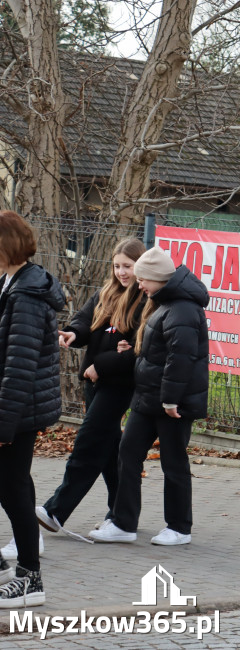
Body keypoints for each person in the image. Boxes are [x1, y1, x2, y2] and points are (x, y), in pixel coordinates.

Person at [89, 246, 209, 546]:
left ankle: (179, 528)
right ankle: (123, 523)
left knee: (174, 462)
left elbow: (180, 359)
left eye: (144, 279)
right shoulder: (162, 302)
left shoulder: (182, 308)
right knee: (127, 453)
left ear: (158, 278)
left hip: (170, 404)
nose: (139, 284)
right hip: (147, 398)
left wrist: (170, 400)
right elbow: (159, 350)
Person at [37, 238, 147, 541]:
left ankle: (56, 510)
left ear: (140, 266)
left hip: (119, 385)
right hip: (95, 383)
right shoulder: (105, 293)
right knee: (111, 451)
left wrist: (104, 364)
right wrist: (73, 333)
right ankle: (122, 516)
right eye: (117, 266)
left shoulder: (144, 299)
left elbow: (139, 349)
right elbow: (85, 322)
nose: (122, 272)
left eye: (128, 266)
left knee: (88, 442)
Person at [0, 211, 65, 609]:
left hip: (15, 411)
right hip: (12, 409)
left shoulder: (25, 295)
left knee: (14, 492)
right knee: (13, 489)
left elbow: (19, 366)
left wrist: (4, 424)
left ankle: (29, 579)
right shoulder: (11, 284)